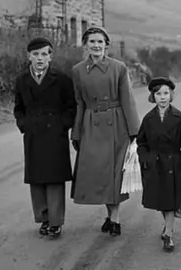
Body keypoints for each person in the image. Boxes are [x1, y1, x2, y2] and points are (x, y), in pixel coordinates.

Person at [70, 26, 140, 236]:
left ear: (106, 45)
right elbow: (79, 103)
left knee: (114, 173)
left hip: (117, 124)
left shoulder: (118, 68)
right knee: (99, 173)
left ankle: (115, 219)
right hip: (91, 125)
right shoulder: (78, 71)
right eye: (92, 41)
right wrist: (76, 131)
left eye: (100, 42)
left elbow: (128, 100)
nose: (96, 45)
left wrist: (134, 131)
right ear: (85, 45)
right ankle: (110, 216)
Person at [13, 37, 76, 238]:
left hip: (54, 134)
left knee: (55, 177)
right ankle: (43, 218)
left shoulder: (62, 79)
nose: (40, 58)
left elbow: (71, 107)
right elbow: (18, 108)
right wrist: (25, 125)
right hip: (33, 134)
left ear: (50, 57)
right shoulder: (21, 80)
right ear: (29, 56)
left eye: (44, 54)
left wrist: (62, 125)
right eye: (36, 54)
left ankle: (56, 222)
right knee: (37, 178)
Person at [136, 77, 181, 252]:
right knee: (162, 201)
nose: (162, 97)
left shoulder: (180, 118)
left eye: (166, 93)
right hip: (155, 165)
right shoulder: (148, 119)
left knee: (171, 201)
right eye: (158, 94)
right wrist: (146, 159)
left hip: (174, 165)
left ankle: (168, 234)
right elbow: (141, 142)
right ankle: (167, 225)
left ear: (171, 95)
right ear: (153, 97)